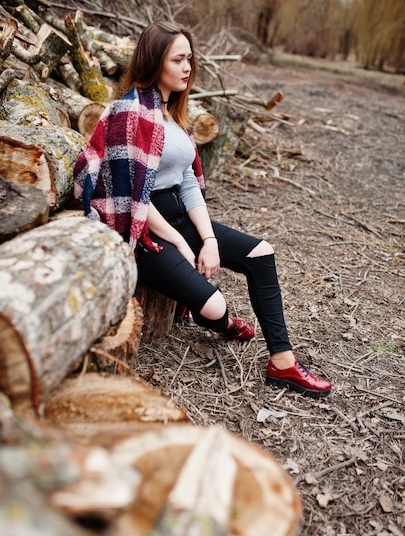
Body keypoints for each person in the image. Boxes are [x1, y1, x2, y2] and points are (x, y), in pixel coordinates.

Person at [74, 21, 332, 399]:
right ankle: (219, 318)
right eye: (177, 59)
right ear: (153, 61)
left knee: (261, 253)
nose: (187, 67)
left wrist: (207, 239)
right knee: (214, 307)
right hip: (142, 228)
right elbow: (133, 197)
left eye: (189, 59)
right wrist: (181, 242)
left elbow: (189, 182)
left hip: (178, 214)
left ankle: (283, 363)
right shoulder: (127, 113)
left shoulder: (174, 115)